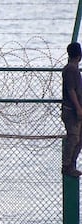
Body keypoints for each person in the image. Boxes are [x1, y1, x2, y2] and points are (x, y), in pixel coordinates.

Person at [62, 42, 82, 177]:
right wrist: (78, 108)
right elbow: (71, 91)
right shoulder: (71, 69)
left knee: (79, 139)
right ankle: (67, 166)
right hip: (71, 111)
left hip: (75, 110)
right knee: (73, 138)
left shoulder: (73, 68)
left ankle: (72, 164)